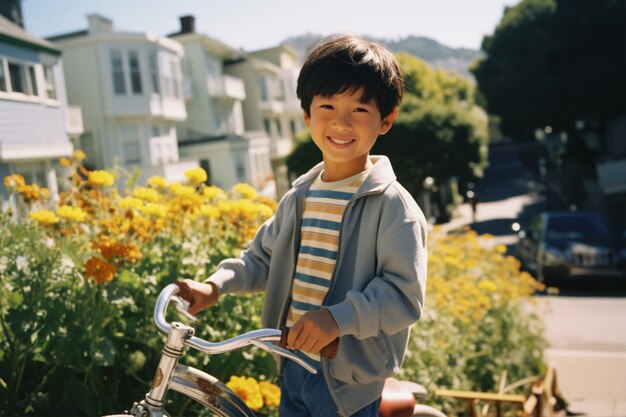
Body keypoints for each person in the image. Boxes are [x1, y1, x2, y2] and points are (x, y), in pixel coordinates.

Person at [180, 34, 428, 417]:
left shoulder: (393, 207)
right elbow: (260, 258)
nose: (341, 122)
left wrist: (336, 318)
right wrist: (214, 286)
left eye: (360, 109)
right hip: (292, 363)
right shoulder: (299, 197)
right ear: (307, 116)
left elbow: (402, 297)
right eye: (327, 106)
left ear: (386, 120)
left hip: (347, 381)